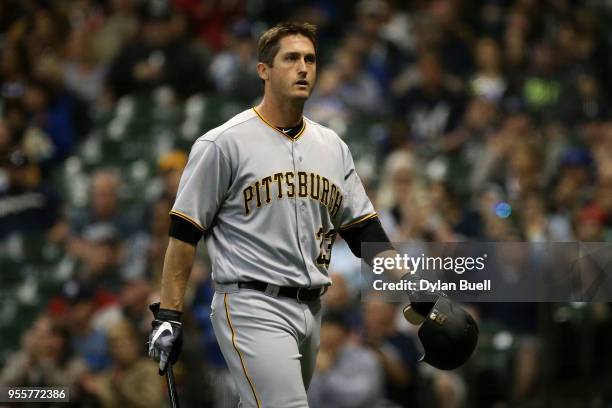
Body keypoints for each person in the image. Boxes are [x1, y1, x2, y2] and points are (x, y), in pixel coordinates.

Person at [147, 22, 475, 407]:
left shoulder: (332, 146)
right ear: (263, 70)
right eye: (291, 58)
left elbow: (365, 234)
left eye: (310, 59)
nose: (303, 68)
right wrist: (169, 313)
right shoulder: (223, 143)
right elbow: (185, 231)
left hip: (313, 308)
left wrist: (411, 285)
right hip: (252, 303)